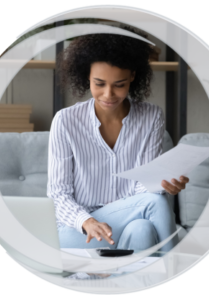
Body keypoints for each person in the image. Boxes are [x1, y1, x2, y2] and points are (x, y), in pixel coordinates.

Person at [47, 25, 189, 253]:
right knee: (156, 203)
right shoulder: (65, 121)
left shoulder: (151, 117)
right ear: (87, 77)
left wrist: (162, 183)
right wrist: (86, 221)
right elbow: (58, 194)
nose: (108, 95)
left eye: (119, 85)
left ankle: (126, 284)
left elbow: (143, 189)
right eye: (99, 83)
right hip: (78, 231)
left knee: (142, 228)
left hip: (130, 218)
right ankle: (175, 271)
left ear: (133, 76)